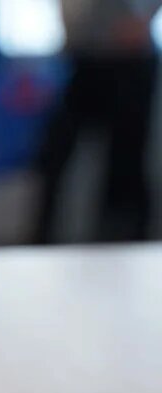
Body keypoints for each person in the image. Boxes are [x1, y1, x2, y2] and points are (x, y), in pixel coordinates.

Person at [36, 0, 162, 243]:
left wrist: (143, 19)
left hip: (129, 58)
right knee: (55, 155)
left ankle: (126, 242)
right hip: (83, 57)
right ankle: (43, 238)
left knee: (126, 164)